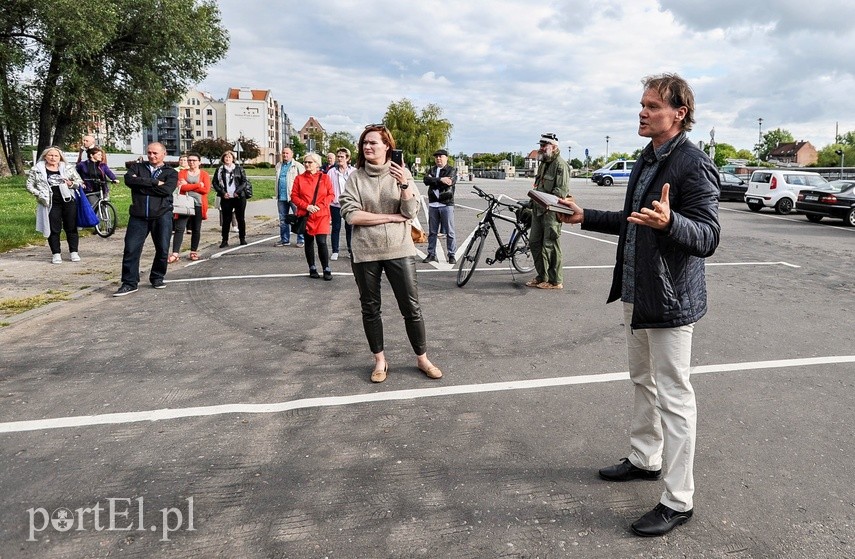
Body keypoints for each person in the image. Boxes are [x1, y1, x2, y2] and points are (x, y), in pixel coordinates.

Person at [557, 73, 720, 537]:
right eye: (642, 104)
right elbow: (634, 222)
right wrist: (585, 215)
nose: (642, 112)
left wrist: (671, 224)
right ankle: (645, 458)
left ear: (679, 113)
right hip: (637, 292)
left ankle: (678, 499)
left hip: (670, 299)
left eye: (651, 105)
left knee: (674, 395)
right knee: (642, 381)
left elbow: (708, 236)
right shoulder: (647, 159)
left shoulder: (693, 163)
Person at [339, 124, 443, 383]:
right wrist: (389, 217)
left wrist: (405, 183)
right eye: (365, 142)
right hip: (365, 252)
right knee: (370, 308)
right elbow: (351, 215)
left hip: (399, 249)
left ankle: (422, 358)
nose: (368, 146)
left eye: (373, 142)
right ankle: (380, 360)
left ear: (388, 146)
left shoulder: (402, 174)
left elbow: (410, 213)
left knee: (411, 307)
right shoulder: (356, 177)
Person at [114, 142, 178, 296]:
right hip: (138, 215)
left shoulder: (171, 172)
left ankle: (157, 276)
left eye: (155, 153)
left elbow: (167, 190)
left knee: (162, 248)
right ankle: (129, 282)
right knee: (131, 248)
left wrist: (141, 185)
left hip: (162, 214)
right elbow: (130, 181)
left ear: (163, 154)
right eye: (149, 152)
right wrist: (154, 182)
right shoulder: (137, 167)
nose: (152, 155)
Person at [26, 146, 85, 264]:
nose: (53, 158)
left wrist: (71, 183)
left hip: (68, 200)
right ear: (45, 156)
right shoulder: (37, 169)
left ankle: (74, 252)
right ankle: (56, 253)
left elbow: (80, 182)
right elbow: (29, 185)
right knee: (54, 228)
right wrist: (39, 194)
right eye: (50, 155)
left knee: (71, 227)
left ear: (60, 157)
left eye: (56, 156)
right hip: (50, 202)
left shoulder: (67, 168)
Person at [527, 132, 571, 289]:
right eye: (540, 145)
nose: (541, 148)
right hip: (538, 209)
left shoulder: (561, 165)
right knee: (534, 243)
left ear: (554, 147)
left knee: (551, 245)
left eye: (544, 145)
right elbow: (538, 186)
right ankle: (542, 276)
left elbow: (561, 191)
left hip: (551, 211)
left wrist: (545, 202)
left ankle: (555, 281)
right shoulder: (544, 163)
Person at [292, 152, 335, 280]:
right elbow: (294, 196)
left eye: (310, 162)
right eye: (305, 162)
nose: (306, 164)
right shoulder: (299, 179)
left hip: (321, 215)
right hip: (306, 215)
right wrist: (307, 206)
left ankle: (326, 267)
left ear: (317, 164)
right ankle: (312, 267)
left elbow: (331, 195)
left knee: (322, 242)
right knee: (309, 242)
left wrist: (319, 206)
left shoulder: (325, 178)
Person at [169, 152, 211, 262]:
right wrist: (197, 185)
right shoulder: (182, 172)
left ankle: (193, 252)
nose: (191, 162)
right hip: (184, 203)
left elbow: (206, 190)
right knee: (180, 228)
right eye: (190, 160)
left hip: (198, 204)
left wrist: (188, 186)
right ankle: (175, 253)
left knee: (196, 229)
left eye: (194, 160)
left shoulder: (204, 174)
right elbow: (181, 187)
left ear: (199, 162)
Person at [422, 148, 458, 264]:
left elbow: (450, 182)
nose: (438, 158)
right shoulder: (431, 169)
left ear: (446, 158)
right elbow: (426, 180)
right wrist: (440, 179)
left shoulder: (451, 170)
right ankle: (431, 254)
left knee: (450, 231)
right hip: (433, 204)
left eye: (441, 156)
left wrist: (435, 181)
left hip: (446, 203)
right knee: (432, 231)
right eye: (436, 157)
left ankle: (451, 254)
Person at [212, 150, 251, 248]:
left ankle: (242, 238)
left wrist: (237, 192)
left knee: (240, 218)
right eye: (226, 157)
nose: (227, 159)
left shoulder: (239, 168)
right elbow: (215, 183)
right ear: (223, 159)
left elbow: (244, 181)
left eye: (229, 157)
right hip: (226, 197)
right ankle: (224, 240)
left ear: (233, 159)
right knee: (226, 219)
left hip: (238, 197)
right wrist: (222, 193)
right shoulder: (220, 170)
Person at [326, 147, 355, 260]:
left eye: (342, 157)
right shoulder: (332, 171)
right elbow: (327, 187)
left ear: (347, 158)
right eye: (338, 156)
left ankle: (351, 250)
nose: (339, 159)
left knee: (350, 228)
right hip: (335, 204)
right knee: (336, 228)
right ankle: (335, 251)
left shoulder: (353, 171)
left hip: (349, 204)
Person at [273, 147, 305, 247]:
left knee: (299, 217)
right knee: (283, 219)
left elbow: (303, 181)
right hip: (281, 196)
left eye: (287, 153)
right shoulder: (278, 165)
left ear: (292, 154)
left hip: (294, 197)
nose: (285, 155)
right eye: (283, 153)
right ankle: (284, 240)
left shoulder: (297, 166)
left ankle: (301, 240)